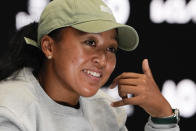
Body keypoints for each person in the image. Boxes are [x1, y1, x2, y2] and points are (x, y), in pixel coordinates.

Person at [0, 0, 180, 130]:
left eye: (111, 48)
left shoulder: (105, 110)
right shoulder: (8, 108)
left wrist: (162, 116)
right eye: (90, 42)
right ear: (49, 47)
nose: (102, 60)